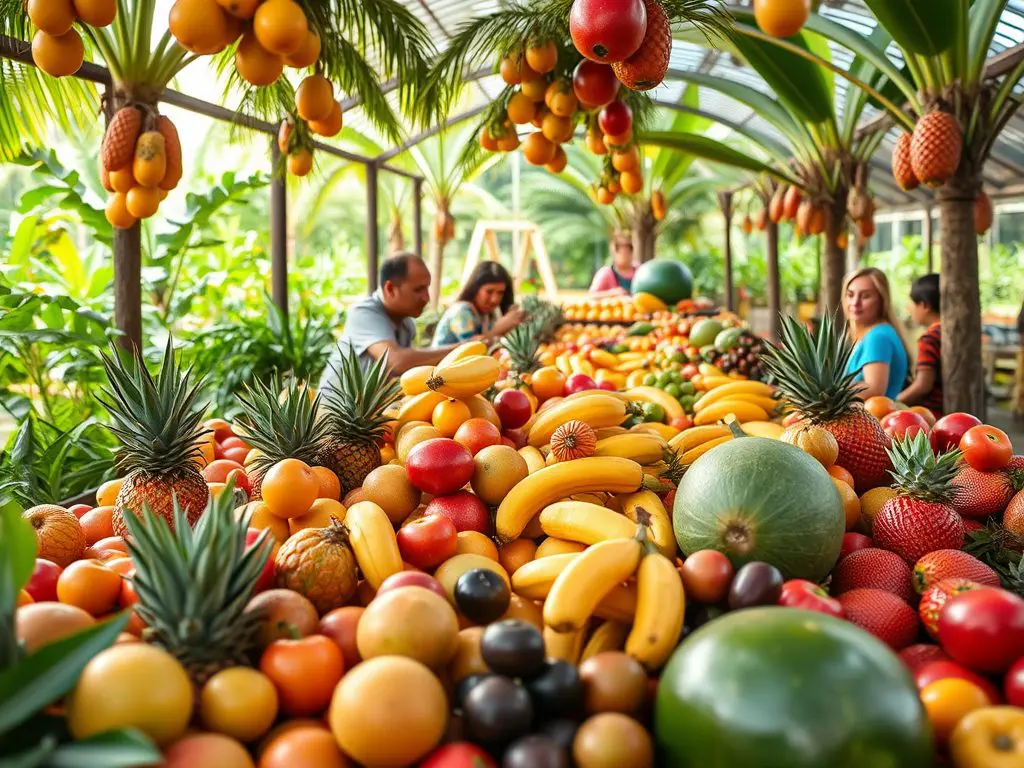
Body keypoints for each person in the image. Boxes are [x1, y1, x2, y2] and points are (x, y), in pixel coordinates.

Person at [319, 253, 457, 390]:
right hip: (333, 404)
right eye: (418, 290)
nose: (426, 298)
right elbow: (396, 361)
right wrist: (459, 349)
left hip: (372, 404)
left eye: (427, 288)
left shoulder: (406, 324)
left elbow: (406, 373)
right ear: (390, 289)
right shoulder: (363, 313)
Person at [842, 266, 911, 401]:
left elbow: (875, 389)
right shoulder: (876, 333)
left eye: (865, 296)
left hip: (876, 414)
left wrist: (828, 391)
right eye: (850, 295)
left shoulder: (878, 337)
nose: (855, 302)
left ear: (881, 300)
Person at [432, 261, 525, 346]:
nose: (495, 299)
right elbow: (471, 348)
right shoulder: (461, 311)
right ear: (475, 289)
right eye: (489, 292)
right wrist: (497, 330)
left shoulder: (488, 314)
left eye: (500, 293)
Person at [898, 274, 943, 415]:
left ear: (925, 305)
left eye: (912, 304)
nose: (909, 309)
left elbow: (923, 384)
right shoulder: (947, 332)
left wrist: (895, 403)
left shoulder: (929, 338)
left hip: (931, 414)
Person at [589, 230, 636, 298]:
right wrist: (611, 293)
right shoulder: (606, 272)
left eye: (628, 252)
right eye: (622, 253)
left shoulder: (639, 271)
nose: (626, 255)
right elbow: (592, 295)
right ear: (614, 253)